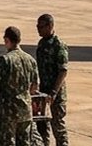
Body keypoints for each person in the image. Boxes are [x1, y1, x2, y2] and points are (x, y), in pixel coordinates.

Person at [35, 14, 70, 146]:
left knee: (58, 126)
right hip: (43, 91)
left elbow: (63, 71)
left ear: (50, 26)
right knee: (42, 125)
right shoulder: (42, 43)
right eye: (37, 26)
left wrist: (54, 92)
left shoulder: (58, 45)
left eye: (41, 26)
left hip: (56, 93)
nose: (38, 29)